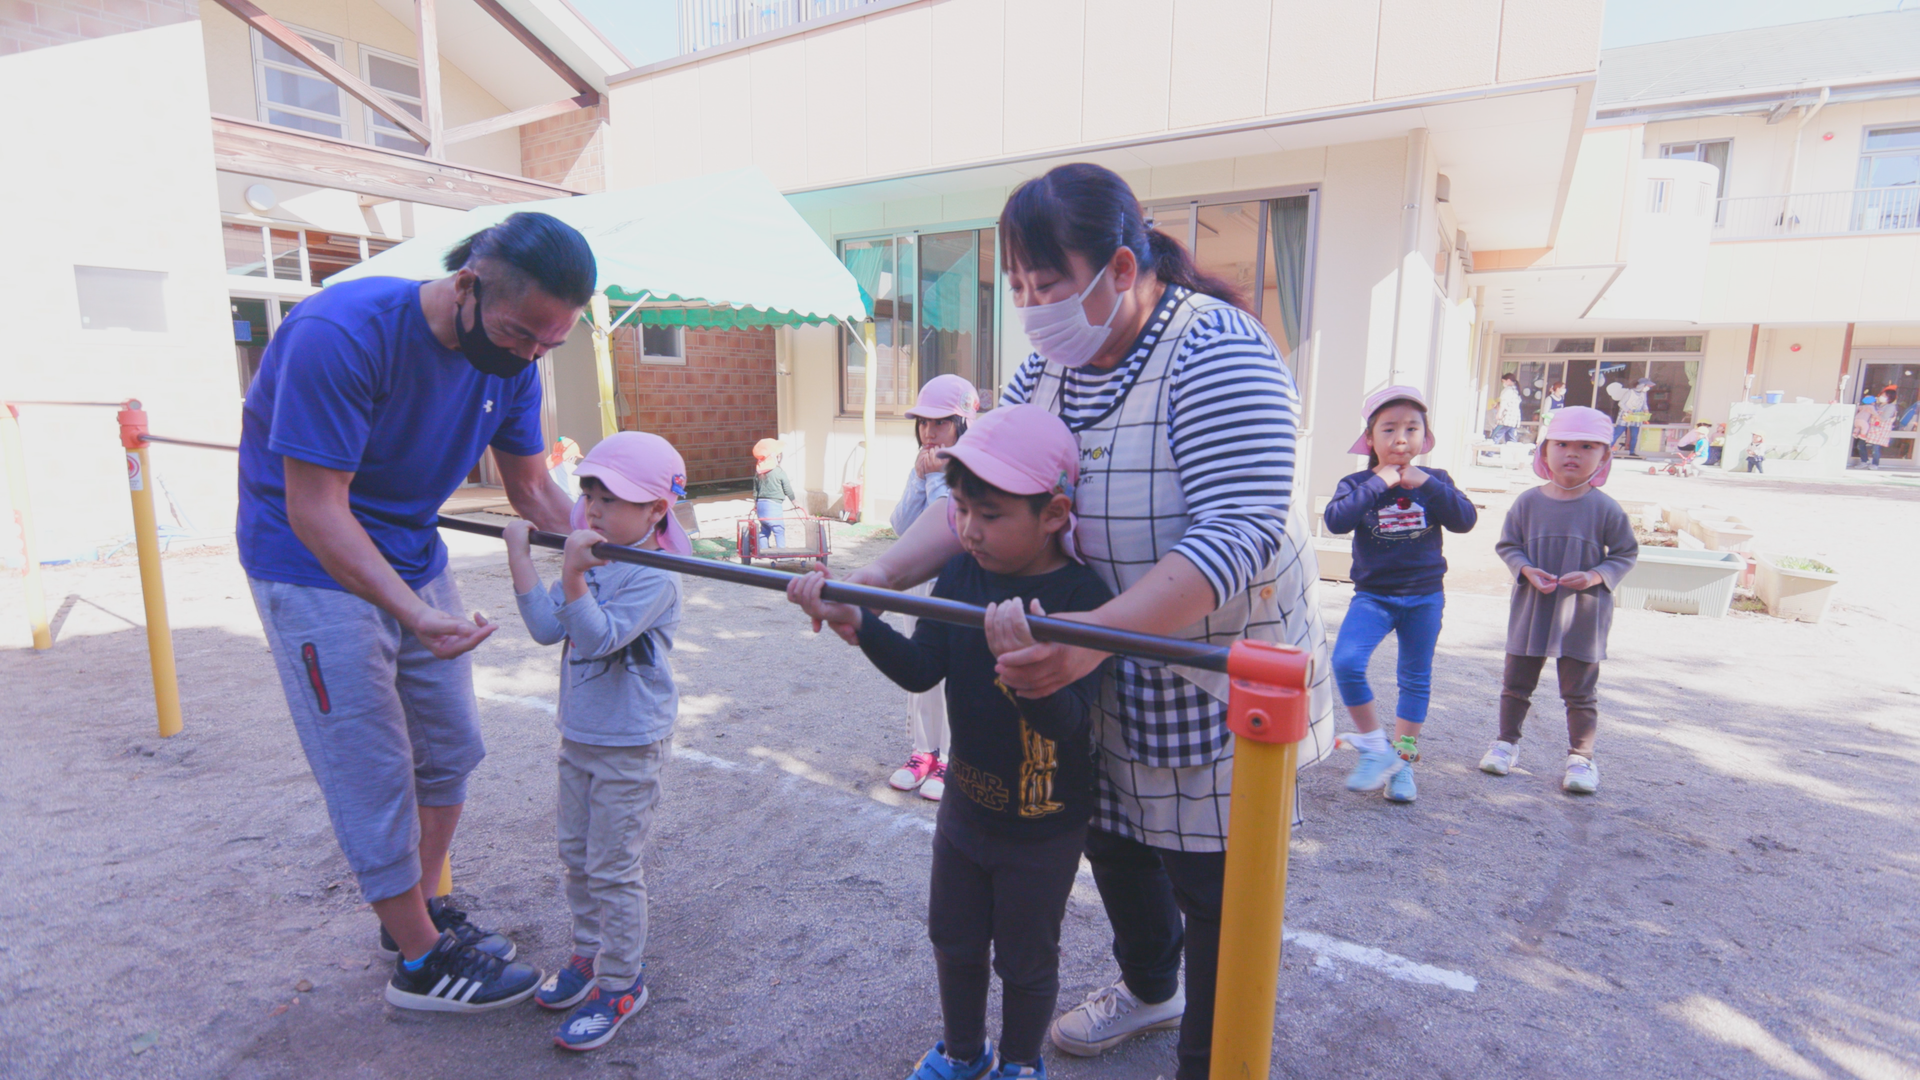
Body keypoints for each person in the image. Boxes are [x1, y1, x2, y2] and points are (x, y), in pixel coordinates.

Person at [792, 162, 1334, 1080]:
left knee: (1212, 879)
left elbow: (1241, 528)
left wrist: (1086, 643)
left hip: (1207, 663)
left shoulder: (1218, 349)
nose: (1034, 307)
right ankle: (1149, 986)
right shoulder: (1049, 362)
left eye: (1049, 286)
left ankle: (1217, 1055)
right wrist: (877, 575)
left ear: (1122, 270)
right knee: (1113, 836)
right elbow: (981, 488)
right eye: (1021, 288)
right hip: (1078, 648)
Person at [239, 212, 591, 1011]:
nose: (530, 356)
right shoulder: (342, 333)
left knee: (451, 747)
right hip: (309, 561)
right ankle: (422, 965)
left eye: (550, 345)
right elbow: (317, 510)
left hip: (410, 551)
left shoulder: (515, 360)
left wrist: (629, 556)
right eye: (520, 334)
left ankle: (414, 913)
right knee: (369, 760)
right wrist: (411, 612)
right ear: (467, 285)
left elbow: (533, 490)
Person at [789, 404, 1112, 1080]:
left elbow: (1072, 726)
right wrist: (861, 619)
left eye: (988, 515)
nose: (968, 529)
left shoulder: (1082, 594)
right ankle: (964, 1055)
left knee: (1026, 960)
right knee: (955, 941)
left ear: (1054, 514)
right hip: (965, 811)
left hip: (1044, 825)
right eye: (960, 509)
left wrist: (1029, 674)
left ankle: (1021, 1064)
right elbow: (920, 670)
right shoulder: (962, 573)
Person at [505, 432, 686, 1051]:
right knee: (576, 856)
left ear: (656, 510)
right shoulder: (591, 556)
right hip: (579, 735)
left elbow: (597, 638)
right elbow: (541, 629)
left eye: (612, 498)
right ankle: (588, 956)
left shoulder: (655, 574)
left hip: (631, 744)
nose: (595, 509)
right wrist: (523, 559)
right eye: (589, 494)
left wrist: (575, 577)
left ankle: (621, 981)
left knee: (612, 866)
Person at [1323, 386, 1477, 804]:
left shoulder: (1436, 481)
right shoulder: (1357, 483)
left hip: (1425, 596)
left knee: (1414, 678)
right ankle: (1376, 750)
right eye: (1388, 429)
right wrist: (1378, 483)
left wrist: (1425, 482)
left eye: (1412, 429)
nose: (1400, 439)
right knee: (1347, 661)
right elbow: (1335, 521)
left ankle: (1402, 764)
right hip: (1373, 597)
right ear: (1370, 439)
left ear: (1425, 439)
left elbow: (1465, 520)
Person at [1479, 406, 1638, 795]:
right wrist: (1526, 570)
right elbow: (1509, 545)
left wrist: (1595, 576)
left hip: (1583, 613)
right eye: (1562, 444)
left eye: (1587, 446)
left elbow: (1624, 554)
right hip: (1532, 607)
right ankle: (1506, 745)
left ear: (1604, 457)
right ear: (1544, 450)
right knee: (1516, 683)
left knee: (1580, 691)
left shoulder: (1606, 508)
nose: (1572, 453)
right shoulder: (1527, 503)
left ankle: (1581, 759)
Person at [887, 373, 982, 801]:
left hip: (960, 590)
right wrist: (921, 476)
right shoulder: (924, 465)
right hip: (921, 590)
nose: (929, 432)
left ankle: (953, 757)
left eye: (940, 422)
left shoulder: (977, 465)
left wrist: (940, 476)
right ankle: (923, 750)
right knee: (918, 669)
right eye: (923, 423)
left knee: (958, 675)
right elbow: (904, 527)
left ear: (964, 423)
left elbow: (951, 527)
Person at [751, 437, 801, 548]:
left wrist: (755, 503)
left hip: (761, 505)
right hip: (773, 505)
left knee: (765, 529)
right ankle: (781, 553)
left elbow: (755, 490)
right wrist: (794, 500)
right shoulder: (778, 472)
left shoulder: (758, 473)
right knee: (778, 529)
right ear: (775, 457)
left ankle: (763, 551)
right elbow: (787, 487)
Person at [1615, 377, 1654, 458]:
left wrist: (1646, 410)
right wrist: (1628, 410)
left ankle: (1632, 451)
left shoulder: (1643, 394)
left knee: (1634, 435)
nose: (1648, 388)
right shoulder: (1630, 392)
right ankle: (1607, 450)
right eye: (1647, 386)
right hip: (1626, 415)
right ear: (1642, 385)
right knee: (1617, 433)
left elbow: (1644, 404)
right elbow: (1621, 403)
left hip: (1636, 415)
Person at [1492, 372, 1522, 443]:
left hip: (1506, 418)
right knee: (1510, 438)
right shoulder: (1516, 391)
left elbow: (1504, 403)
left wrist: (1499, 413)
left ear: (1508, 380)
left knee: (1495, 436)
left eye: (1503, 381)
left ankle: (1489, 452)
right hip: (1514, 419)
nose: (1503, 384)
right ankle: (1514, 453)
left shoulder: (1507, 390)